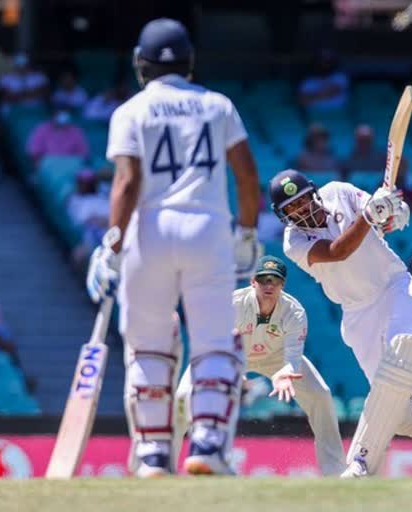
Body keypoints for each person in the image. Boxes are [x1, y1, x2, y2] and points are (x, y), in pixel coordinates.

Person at [85, 18, 261, 478]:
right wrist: (245, 232)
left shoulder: (131, 111)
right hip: (207, 229)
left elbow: (126, 184)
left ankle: (153, 455)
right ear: (190, 62)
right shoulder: (217, 105)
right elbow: (246, 175)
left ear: (140, 64)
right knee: (213, 344)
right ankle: (205, 443)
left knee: (146, 346)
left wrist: (113, 245)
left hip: (150, 231)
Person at [270, 169, 412, 478]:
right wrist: (368, 216)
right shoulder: (293, 242)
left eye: (302, 201)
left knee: (396, 366)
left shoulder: (338, 190)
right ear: (282, 216)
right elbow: (339, 251)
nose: (300, 210)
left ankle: (360, 463)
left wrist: (393, 211)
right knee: (398, 411)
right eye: (290, 209)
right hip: (356, 313)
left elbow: (380, 212)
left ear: (314, 192)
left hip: (396, 289)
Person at [175, 256, 346, 475]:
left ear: (282, 285)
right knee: (182, 397)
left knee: (320, 395)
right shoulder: (233, 304)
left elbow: (292, 358)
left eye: (274, 280)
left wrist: (285, 373)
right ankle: (165, 465)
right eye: (263, 279)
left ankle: (335, 471)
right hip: (232, 355)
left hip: (277, 357)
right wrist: (231, 370)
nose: (268, 285)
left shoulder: (294, 312)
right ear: (252, 281)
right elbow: (214, 344)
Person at [67, 169, 110, 269]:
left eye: (89, 182)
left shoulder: (102, 193)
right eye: (84, 182)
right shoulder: (75, 199)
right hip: (94, 231)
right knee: (82, 250)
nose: (86, 185)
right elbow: (84, 220)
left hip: (112, 225)